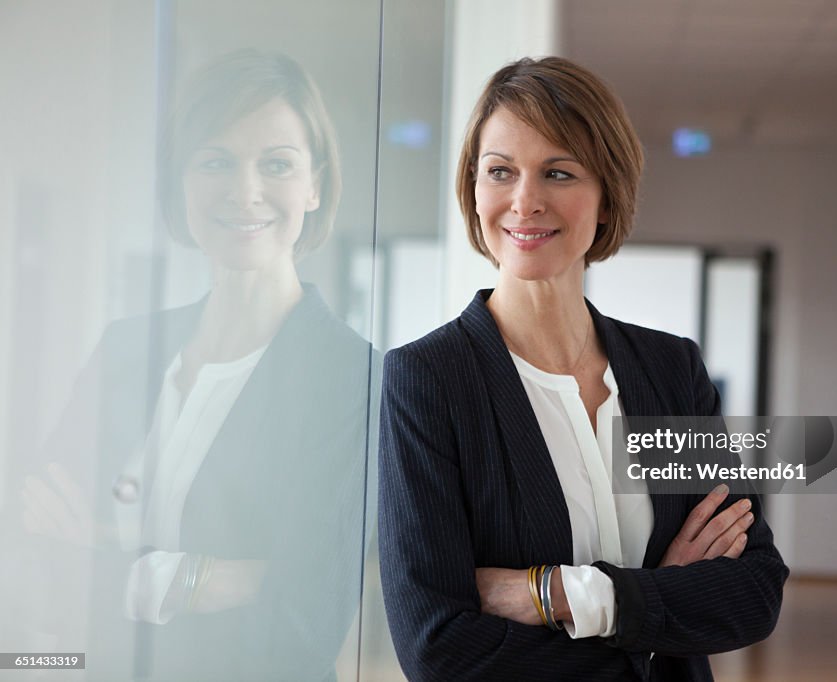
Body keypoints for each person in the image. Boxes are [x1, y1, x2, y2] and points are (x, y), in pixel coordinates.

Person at [378, 56, 789, 681]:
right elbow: (438, 651)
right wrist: (657, 614)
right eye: (500, 172)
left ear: (606, 197)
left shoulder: (669, 371)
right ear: (474, 189)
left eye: (558, 172)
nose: (524, 201)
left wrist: (556, 595)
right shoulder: (429, 381)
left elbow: (753, 592)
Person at [14, 49, 371, 681]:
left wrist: (115, 572)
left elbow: (302, 624)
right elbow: (33, 556)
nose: (245, 191)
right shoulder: (125, 348)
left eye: (276, 164)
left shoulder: (351, 379)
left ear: (314, 184)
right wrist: (215, 580)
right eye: (216, 161)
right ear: (182, 180)